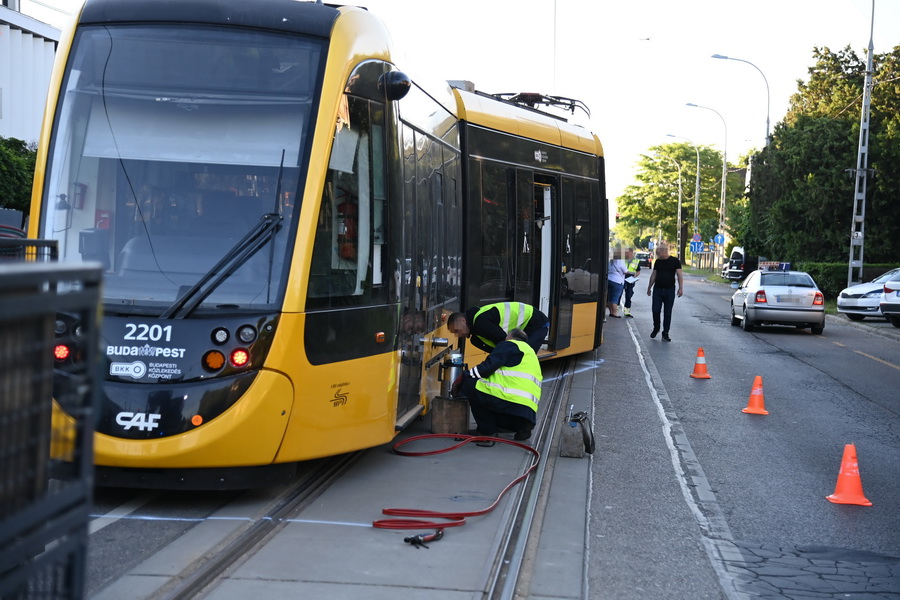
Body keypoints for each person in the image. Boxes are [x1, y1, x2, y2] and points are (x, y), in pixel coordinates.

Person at [450, 329, 541, 441]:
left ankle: (485, 430)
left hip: (508, 401)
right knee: (485, 389)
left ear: (509, 337)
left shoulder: (509, 345)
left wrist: (464, 376)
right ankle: (522, 428)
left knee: (469, 383)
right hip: (526, 412)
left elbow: (487, 367)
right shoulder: (530, 353)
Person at [448, 302, 550, 354]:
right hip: (528, 325)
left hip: (535, 322)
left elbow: (505, 342)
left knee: (525, 356)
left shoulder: (481, 323)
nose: (458, 335)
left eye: (457, 330)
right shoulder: (476, 337)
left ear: (463, 320)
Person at [646, 242, 683, 341]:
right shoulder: (658, 262)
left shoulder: (675, 261)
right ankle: (656, 327)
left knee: (667, 312)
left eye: (658, 253)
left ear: (664, 252)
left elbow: (679, 275)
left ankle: (665, 333)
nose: (657, 255)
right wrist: (649, 287)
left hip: (670, 290)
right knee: (655, 310)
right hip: (658, 290)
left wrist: (681, 288)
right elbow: (654, 275)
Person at [606, 250, 628, 318]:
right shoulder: (620, 261)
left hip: (609, 280)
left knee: (609, 298)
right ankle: (615, 313)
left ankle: (611, 312)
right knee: (615, 299)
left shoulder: (610, 261)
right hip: (617, 282)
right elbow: (625, 271)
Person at [622, 247, 642, 318]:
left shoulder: (635, 261)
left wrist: (635, 277)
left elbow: (638, 271)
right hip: (622, 278)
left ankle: (627, 312)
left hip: (631, 280)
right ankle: (616, 311)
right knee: (619, 295)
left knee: (628, 295)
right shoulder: (622, 260)